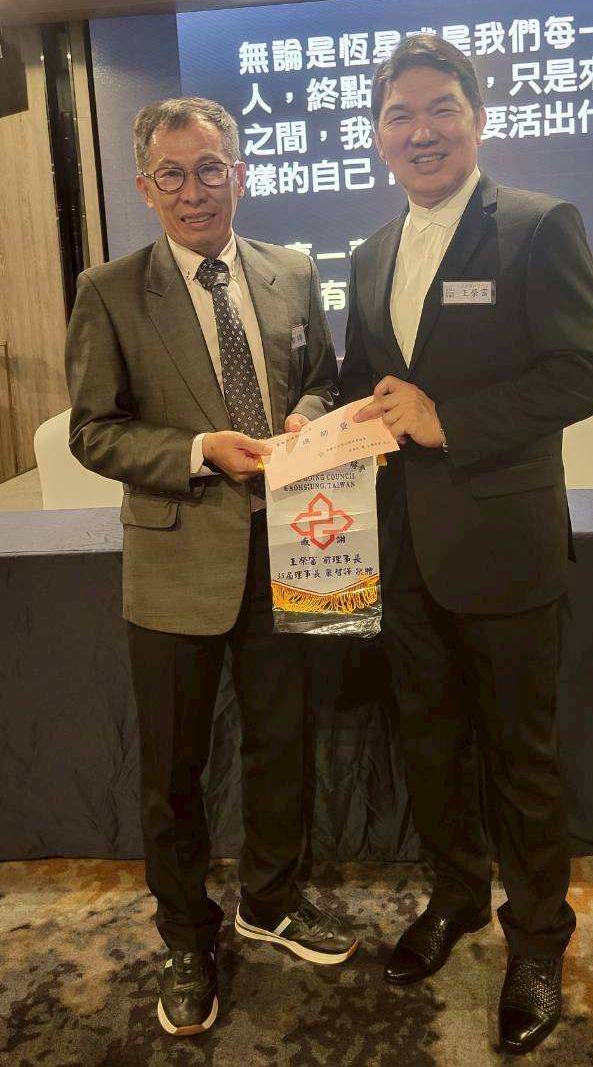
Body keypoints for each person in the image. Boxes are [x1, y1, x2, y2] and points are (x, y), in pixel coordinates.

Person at [341, 36, 593, 1055]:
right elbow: (366, 382)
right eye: (400, 114)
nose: (421, 131)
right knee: (429, 741)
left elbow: (583, 371)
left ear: (478, 119)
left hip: (504, 547)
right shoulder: (371, 252)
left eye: (440, 108)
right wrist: (314, 422)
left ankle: (537, 940)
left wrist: (447, 419)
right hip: (404, 550)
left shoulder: (539, 225)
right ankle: (455, 894)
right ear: (378, 137)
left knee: (520, 759)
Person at [65, 97, 357, 1038]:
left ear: (241, 173)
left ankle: (270, 901)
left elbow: (325, 377)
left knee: (283, 747)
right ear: (145, 188)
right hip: (176, 561)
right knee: (173, 771)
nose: (195, 192)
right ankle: (187, 936)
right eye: (173, 175)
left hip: (295, 551)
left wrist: (309, 415)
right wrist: (196, 451)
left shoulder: (292, 270)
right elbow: (93, 431)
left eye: (210, 169)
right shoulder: (109, 290)